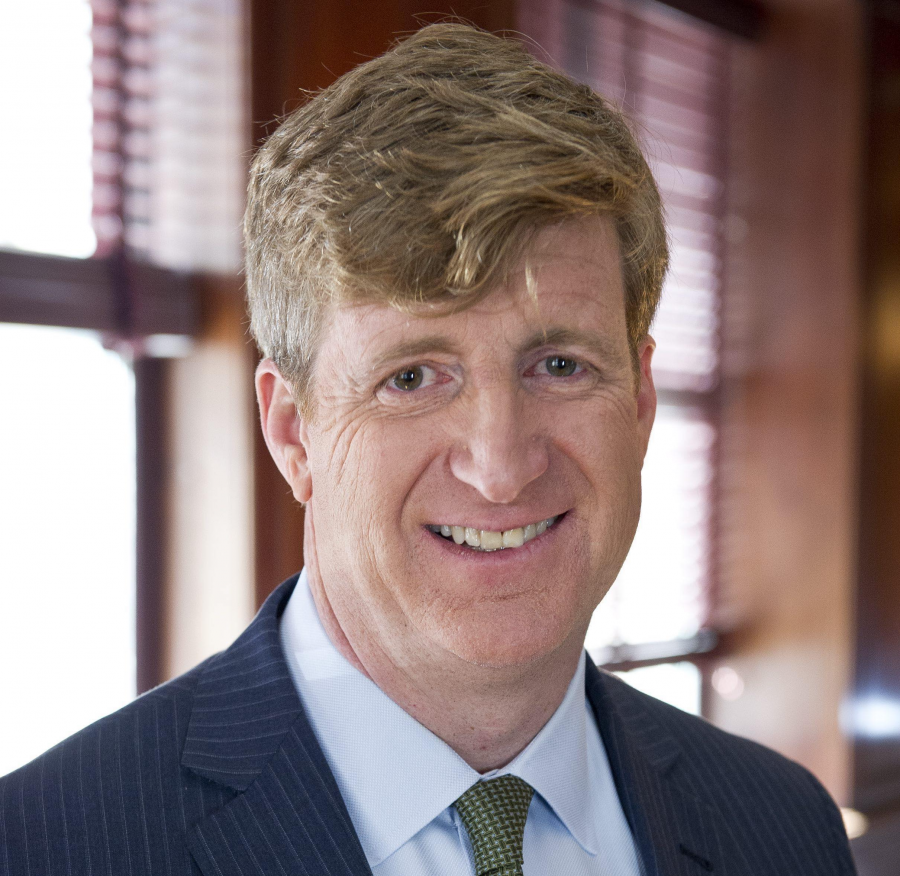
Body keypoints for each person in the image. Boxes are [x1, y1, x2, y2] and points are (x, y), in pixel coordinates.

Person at [0, 22, 856, 876]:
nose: (501, 467)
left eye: (559, 366)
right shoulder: (48, 848)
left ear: (639, 402)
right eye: (412, 378)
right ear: (293, 432)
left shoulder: (780, 828)